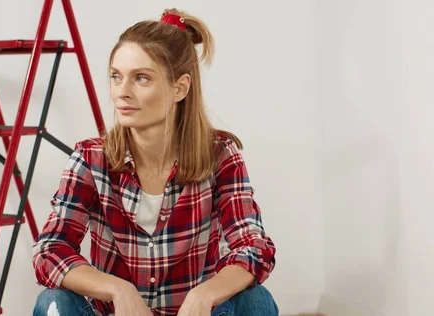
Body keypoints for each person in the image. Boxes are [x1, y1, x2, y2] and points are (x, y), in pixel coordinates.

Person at [32, 8, 278, 316]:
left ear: (180, 87)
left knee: (256, 301)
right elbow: (49, 250)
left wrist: (205, 294)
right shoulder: (90, 159)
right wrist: (118, 289)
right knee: (52, 303)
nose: (122, 92)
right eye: (116, 77)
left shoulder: (220, 156)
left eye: (141, 78)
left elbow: (253, 247)